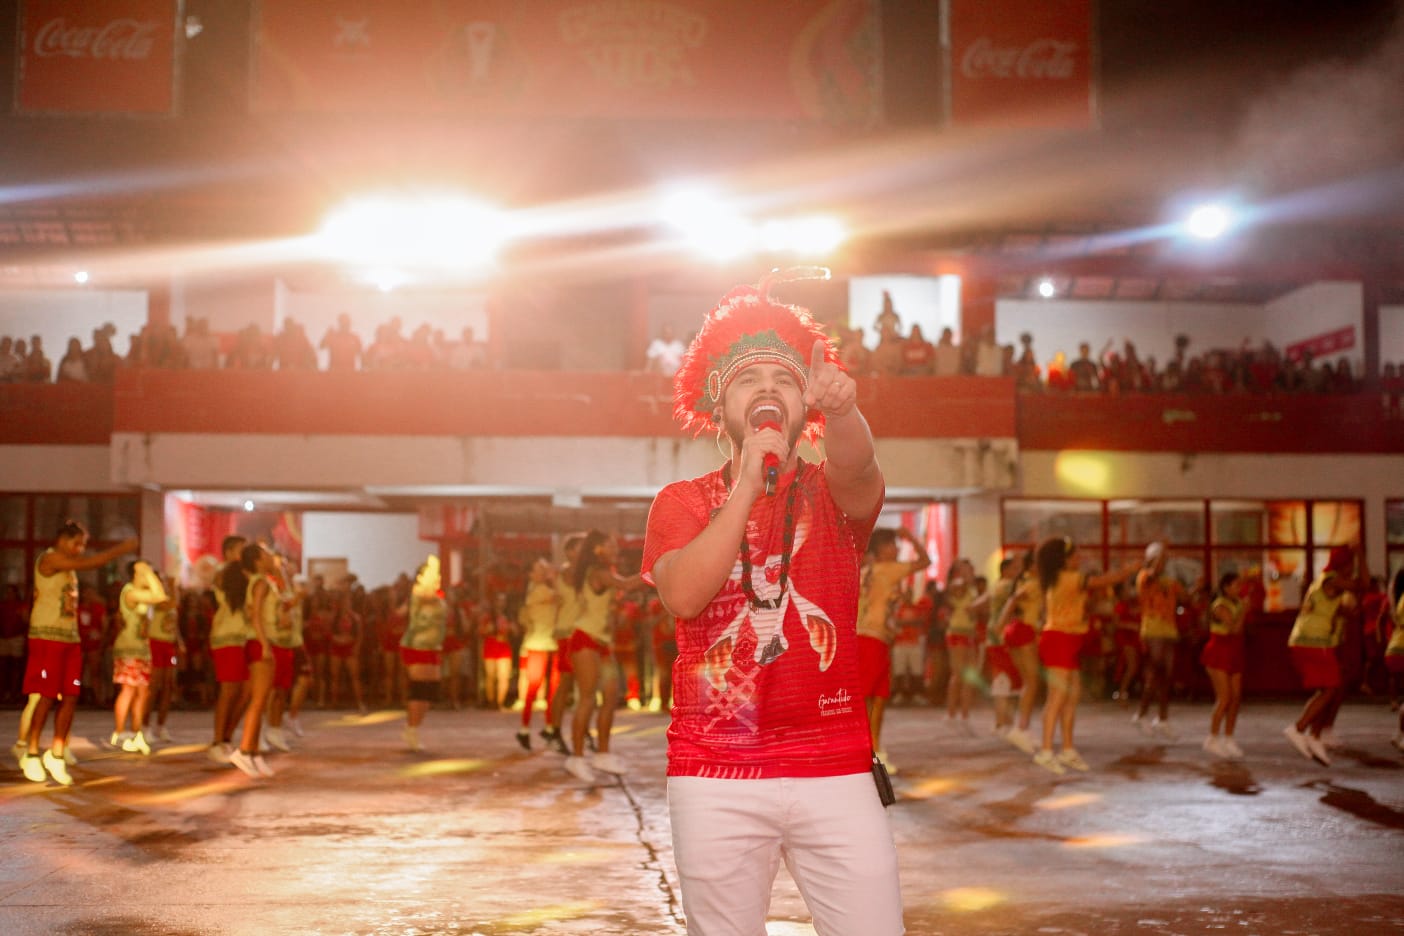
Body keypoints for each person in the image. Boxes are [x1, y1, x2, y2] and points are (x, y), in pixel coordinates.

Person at [642, 273, 903, 934]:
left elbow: (859, 469)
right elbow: (684, 594)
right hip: (715, 772)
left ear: (803, 402)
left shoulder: (828, 495)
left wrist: (843, 411)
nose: (767, 388)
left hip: (835, 766)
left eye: (784, 379)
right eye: (747, 380)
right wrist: (745, 486)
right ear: (719, 402)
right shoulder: (681, 503)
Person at [19, 522, 137, 785]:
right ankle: (32, 752)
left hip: (70, 639)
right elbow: (91, 562)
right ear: (63, 539)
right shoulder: (50, 559)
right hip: (47, 637)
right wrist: (121, 549)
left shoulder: (69, 567)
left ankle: (57, 753)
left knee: (71, 696)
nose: (80, 549)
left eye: (83, 545)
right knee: (46, 696)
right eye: (78, 543)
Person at [1031, 536, 1139, 774]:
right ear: (1063, 560)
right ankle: (1046, 751)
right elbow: (1105, 580)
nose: (1079, 558)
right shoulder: (1068, 578)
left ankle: (1067, 750)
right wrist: (1129, 570)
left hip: (1068, 640)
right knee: (1057, 698)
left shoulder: (1063, 579)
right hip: (1059, 639)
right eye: (1074, 555)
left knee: (1071, 697)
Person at [562, 530, 643, 782]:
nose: (616, 549)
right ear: (598, 549)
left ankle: (603, 754)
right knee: (587, 699)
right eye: (611, 545)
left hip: (602, 643)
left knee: (610, 696)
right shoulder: (598, 572)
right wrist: (657, 570)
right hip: (585, 640)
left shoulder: (603, 571)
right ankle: (576, 758)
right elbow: (627, 584)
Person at [856, 526, 930, 772]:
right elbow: (925, 561)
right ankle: (871, 752)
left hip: (867, 638)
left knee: (875, 697)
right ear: (882, 549)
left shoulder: (866, 571)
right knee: (873, 698)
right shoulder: (887, 569)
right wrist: (912, 538)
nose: (897, 549)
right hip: (873, 638)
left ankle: (874, 750)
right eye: (894, 544)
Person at [1284, 569, 1355, 766]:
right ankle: (1298, 729)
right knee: (1331, 688)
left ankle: (1314, 736)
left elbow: (1350, 607)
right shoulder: (1329, 583)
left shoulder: (1328, 596)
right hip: (1312, 643)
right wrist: (1360, 556)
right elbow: (1360, 585)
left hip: (1317, 644)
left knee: (1328, 691)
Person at [225, 543, 278, 778]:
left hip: (258, 641)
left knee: (260, 700)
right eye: (266, 554)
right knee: (258, 700)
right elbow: (255, 615)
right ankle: (245, 750)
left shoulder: (260, 581)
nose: (271, 557)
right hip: (259, 642)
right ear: (257, 560)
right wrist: (265, 645)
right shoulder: (261, 582)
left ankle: (254, 753)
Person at [110, 560, 169, 755]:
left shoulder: (142, 594)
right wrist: (147, 572)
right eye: (144, 573)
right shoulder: (130, 592)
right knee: (128, 690)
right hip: (129, 648)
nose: (149, 576)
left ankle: (137, 733)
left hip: (143, 649)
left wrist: (148, 573)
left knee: (143, 692)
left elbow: (161, 596)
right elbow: (159, 595)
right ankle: (120, 733)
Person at [1132, 542, 1185, 738]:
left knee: (1166, 676)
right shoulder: (1144, 577)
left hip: (1169, 630)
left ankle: (1162, 719)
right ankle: (1141, 715)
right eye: (1160, 559)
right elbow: (1151, 574)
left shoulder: (1169, 581)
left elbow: (1185, 597)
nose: (1163, 563)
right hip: (1153, 629)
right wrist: (1161, 551)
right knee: (1154, 673)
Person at [208, 535, 249, 763]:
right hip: (228, 637)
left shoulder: (247, 575)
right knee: (229, 690)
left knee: (246, 691)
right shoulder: (224, 573)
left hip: (245, 638)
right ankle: (217, 741)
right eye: (242, 550)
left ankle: (226, 738)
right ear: (229, 552)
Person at [402, 556, 447, 752]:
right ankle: (411, 730)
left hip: (433, 647)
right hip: (417, 646)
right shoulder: (419, 593)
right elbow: (428, 597)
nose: (437, 578)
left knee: (430, 690)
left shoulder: (437, 594)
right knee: (420, 689)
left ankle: (413, 727)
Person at [1201, 572, 1247, 758]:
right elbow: (1234, 628)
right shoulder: (1220, 605)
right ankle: (1212, 738)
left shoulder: (1237, 603)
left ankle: (1229, 738)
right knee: (1224, 698)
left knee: (1236, 698)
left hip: (1234, 651)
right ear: (1226, 587)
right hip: (1219, 651)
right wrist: (1244, 611)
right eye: (1236, 585)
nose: (1239, 589)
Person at [515, 557, 560, 750]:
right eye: (539, 569)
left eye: (544, 568)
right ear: (531, 574)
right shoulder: (538, 590)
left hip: (551, 643)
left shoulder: (540, 590)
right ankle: (526, 729)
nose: (543, 571)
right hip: (539, 644)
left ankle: (546, 727)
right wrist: (554, 577)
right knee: (535, 688)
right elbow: (562, 597)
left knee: (552, 691)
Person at [146, 572, 183, 743]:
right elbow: (172, 604)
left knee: (169, 685)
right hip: (155, 644)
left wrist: (179, 641)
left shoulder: (170, 598)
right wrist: (173, 586)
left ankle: (161, 725)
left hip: (169, 646)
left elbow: (173, 623)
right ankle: (145, 725)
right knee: (154, 686)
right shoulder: (155, 599)